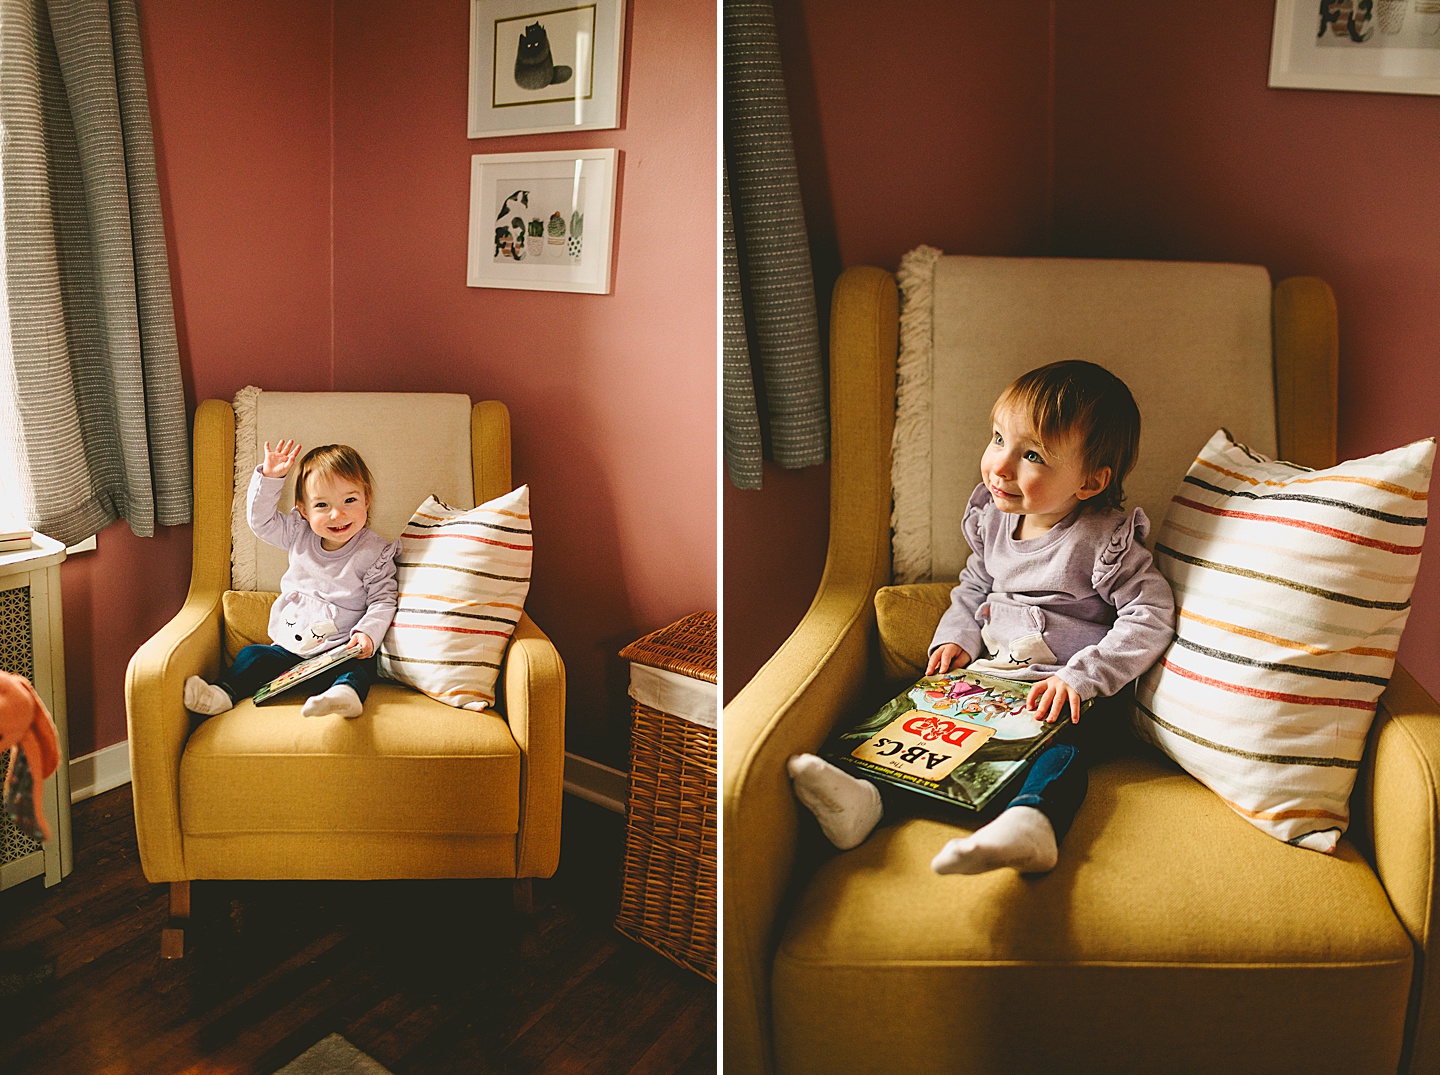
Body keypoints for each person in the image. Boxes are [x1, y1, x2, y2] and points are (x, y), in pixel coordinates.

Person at [788, 360, 1176, 875]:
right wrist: (958, 638)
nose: (1000, 465)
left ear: (1090, 481)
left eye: (1031, 454)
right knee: (919, 724)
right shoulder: (995, 519)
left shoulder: (1103, 540)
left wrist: (1083, 678)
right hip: (994, 679)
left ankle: (1032, 823)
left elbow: (1150, 614)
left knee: (1056, 749)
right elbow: (974, 585)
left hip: (1071, 695)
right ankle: (866, 799)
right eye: (998, 439)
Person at [184, 439, 400, 720]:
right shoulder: (299, 534)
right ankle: (222, 694)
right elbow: (261, 523)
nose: (338, 514)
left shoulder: (374, 552)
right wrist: (271, 479)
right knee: (252, 656)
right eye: (322, 505)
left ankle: (343, 695)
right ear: (303, 509)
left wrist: (367, 635)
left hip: (338, 651)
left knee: (361, 668)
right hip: (288, 652)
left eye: (350, 500)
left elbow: (383, 599)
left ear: (367, 499)